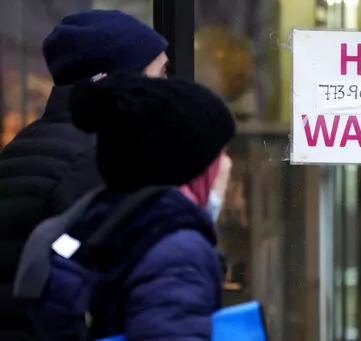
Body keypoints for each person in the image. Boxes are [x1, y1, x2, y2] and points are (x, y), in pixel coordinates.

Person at [16, 72, 235, 340]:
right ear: (192, 165)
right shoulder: (176, 249)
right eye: (221, 154)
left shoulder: (85, 225)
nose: (228, 166)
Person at [0, 9, 168, 290]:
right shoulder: (95, 158)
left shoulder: (26, 143)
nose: (168, 88)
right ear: (124, 81)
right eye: (159, 74)